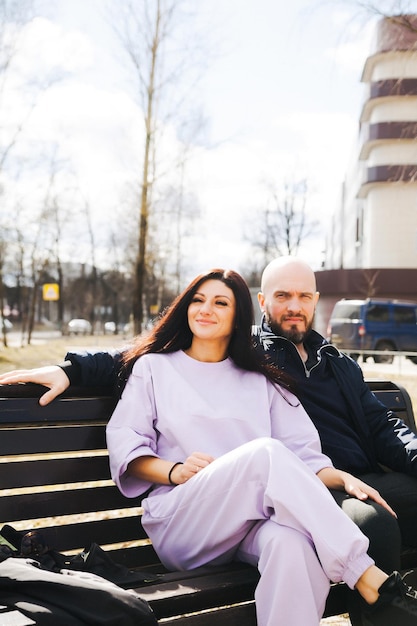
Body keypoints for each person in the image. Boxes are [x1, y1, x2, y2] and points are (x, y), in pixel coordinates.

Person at [2, 262, 417, 622]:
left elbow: (304, 452)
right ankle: (370, 578)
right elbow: (128, 445)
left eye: (220, 302)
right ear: (185, 307)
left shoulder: (261, 378)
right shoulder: (155, 369)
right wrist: (173, 470)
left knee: (295, 550)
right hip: (184, 522)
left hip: (250, 528)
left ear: (238, 315)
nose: (206, 309)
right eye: (198, 299)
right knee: (266, 454)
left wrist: (340, 477)